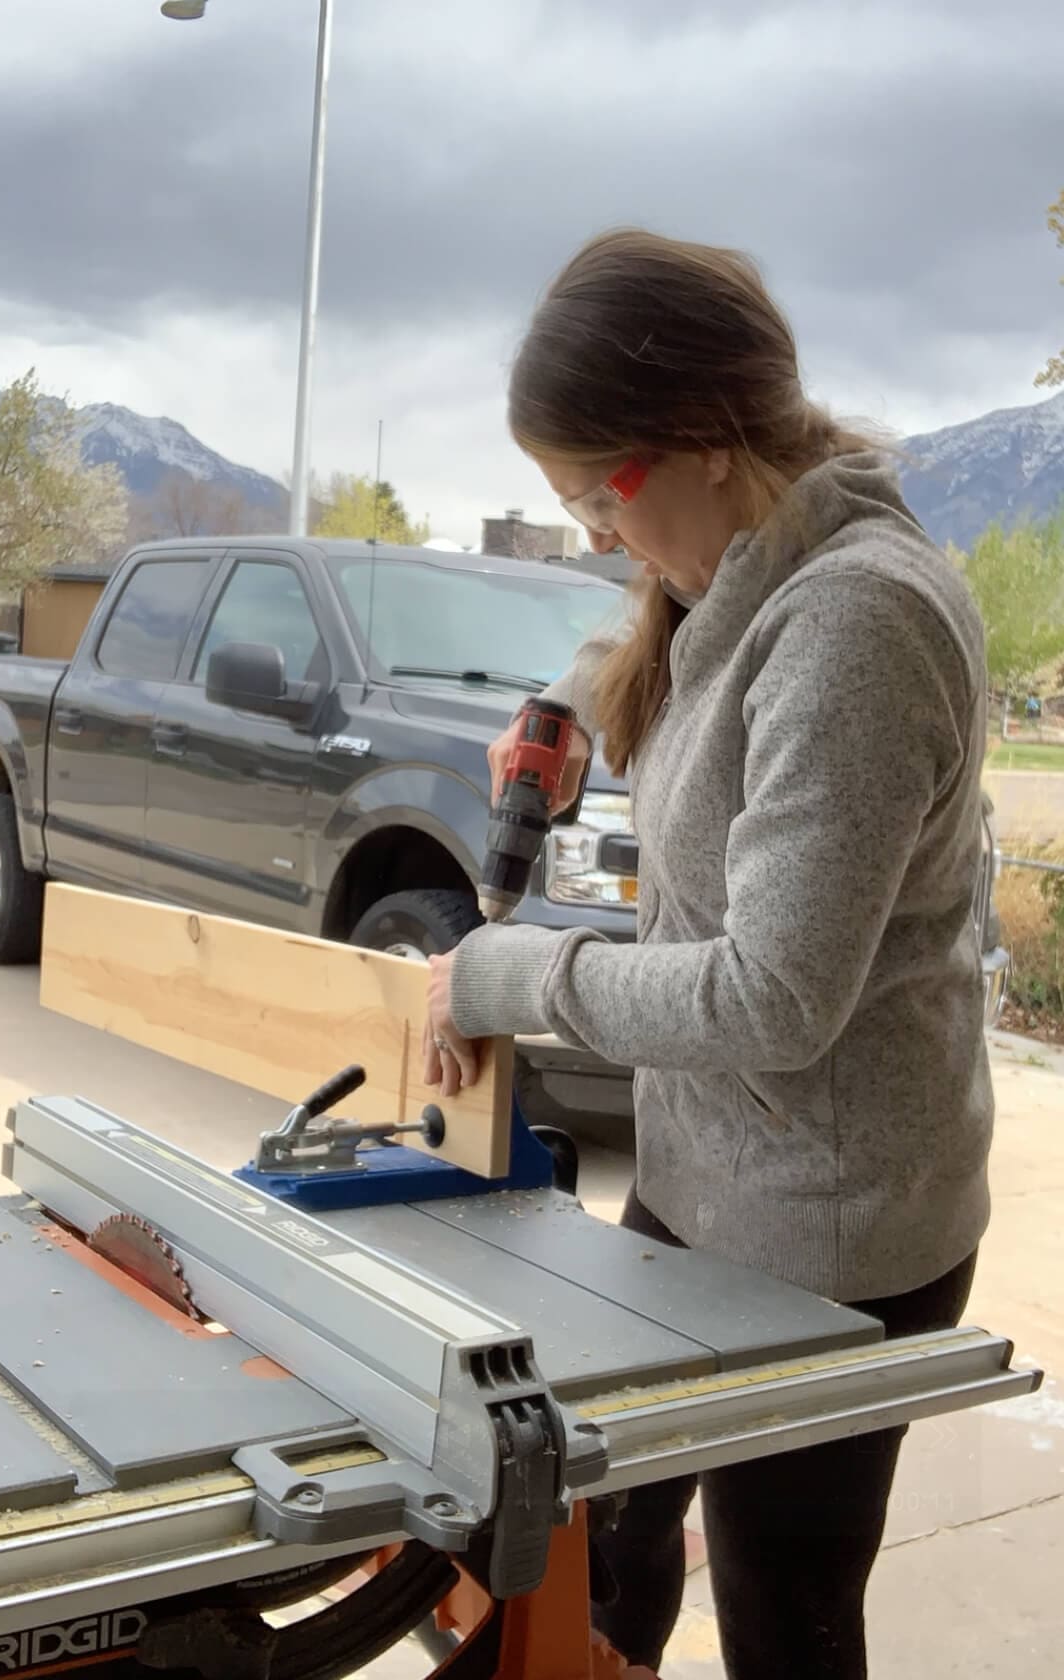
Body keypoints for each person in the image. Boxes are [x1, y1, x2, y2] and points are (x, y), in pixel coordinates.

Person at [422, 229, 992, 1678]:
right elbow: (680, 624)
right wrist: (558, 723)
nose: (600, 540)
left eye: (590, 500)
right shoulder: (751, 563)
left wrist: (511, 974)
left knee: (783, 1615)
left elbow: (773, 996)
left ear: (696, 439)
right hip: (708, 1185)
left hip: (832, 1231)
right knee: (594, 1553)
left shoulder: (859, 618)